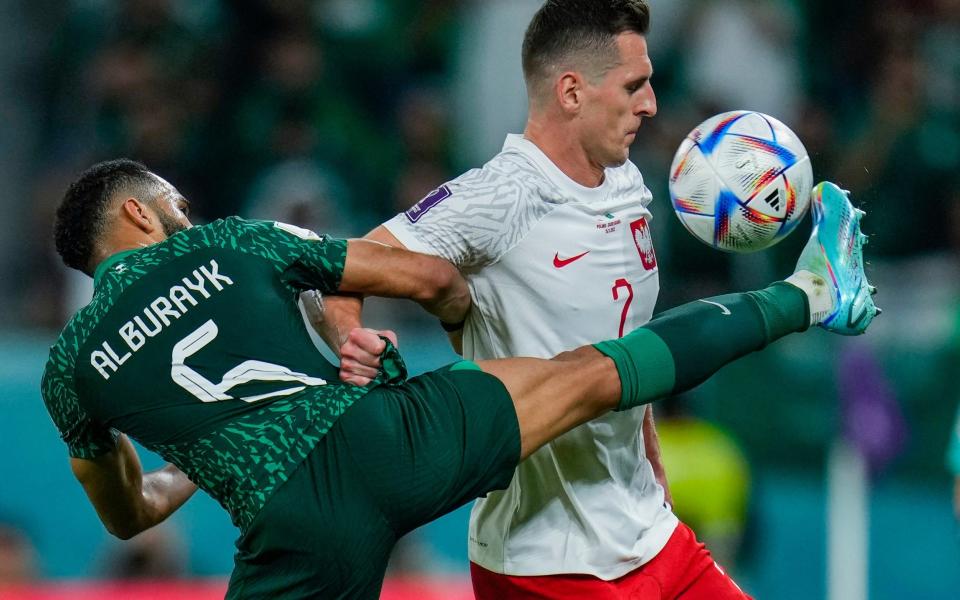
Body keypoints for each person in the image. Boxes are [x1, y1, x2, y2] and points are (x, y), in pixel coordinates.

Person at [42, 158, 876, 599]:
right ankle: (810, 293)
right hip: (389, 438)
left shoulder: (69, 370)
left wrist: (194, 463)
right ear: (142, 215)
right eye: (172, 203)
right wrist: (408, 353)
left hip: (293, 529)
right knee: (589, 376)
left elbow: (128, 515)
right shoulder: (223, 240)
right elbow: (428, 279)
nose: (182, 214)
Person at [318, 0, 757, 596]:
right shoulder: (499, 196)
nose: (651, 104)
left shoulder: (628, 183)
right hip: (547, 559)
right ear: (572, 92)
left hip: (651, 534)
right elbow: (341, 268)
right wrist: (351, 339)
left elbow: (624, 344)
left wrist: (649, 453)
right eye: (634, 86)